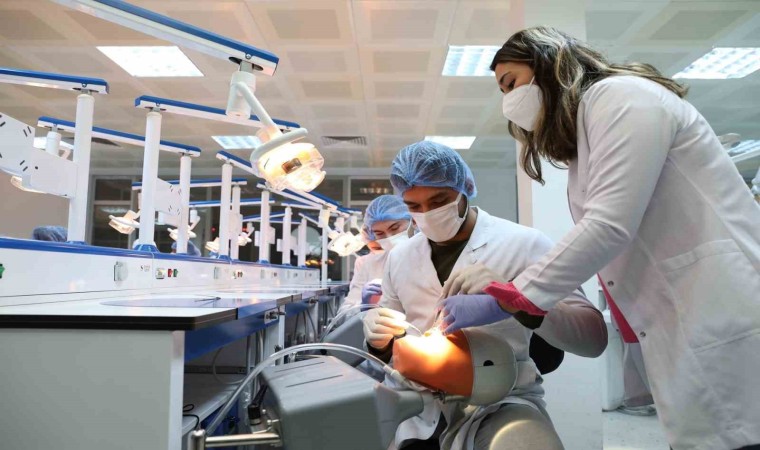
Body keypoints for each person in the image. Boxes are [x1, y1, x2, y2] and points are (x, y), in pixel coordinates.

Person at [439, 27, 760, 450]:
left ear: (549, 62)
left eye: (512, 83)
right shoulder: (587, 141)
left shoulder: (621, 96)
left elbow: (609, 225)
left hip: (719, 307)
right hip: (683, 321)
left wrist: (513, 295)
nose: (509, 102)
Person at [363, 141, 607, 450]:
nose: (427, 214)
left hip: (499, 400)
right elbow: (392, 342)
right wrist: (379, 342)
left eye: (439, 201)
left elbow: (593, 340)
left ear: (464, 189)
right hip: (416, 405)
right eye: (414, 206)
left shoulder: (524, 244)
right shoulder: (400, 258)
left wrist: (515, 298)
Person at [337, 195, 412, 317]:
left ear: (413, 221)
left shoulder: (432, 256)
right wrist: (364, 305)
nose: (389, 238)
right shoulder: (369, 264)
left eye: (395, 228)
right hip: (384, 328)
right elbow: (343, 316)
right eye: (379, 233)